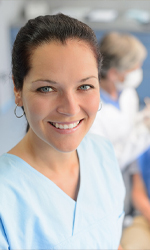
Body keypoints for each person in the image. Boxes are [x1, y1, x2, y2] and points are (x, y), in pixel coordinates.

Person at [0, 14, 125, 249]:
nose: (70, 108)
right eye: (47, 88)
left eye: (84, 86)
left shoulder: (103, 152)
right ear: (18, 90)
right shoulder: (5, 198)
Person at [89, 32, 150, 249]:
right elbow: (110, 159)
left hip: (128, 170)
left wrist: (144, 118)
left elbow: (128, 126)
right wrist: (145, 129)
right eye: (134, 67)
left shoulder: (128, 93)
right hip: (106, 177)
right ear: (114, 73)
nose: (138, 72)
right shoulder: (93, 110)